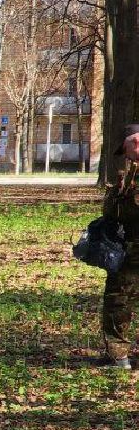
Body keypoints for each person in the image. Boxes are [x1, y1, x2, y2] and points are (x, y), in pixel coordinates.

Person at [100, 122, 139, 369]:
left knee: (118, 299)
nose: (125, 158)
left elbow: (125, 212)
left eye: (125, 151)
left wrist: (115, 199)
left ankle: (118, 357)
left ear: (134, 143)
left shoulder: (133, 179)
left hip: (133, 248)